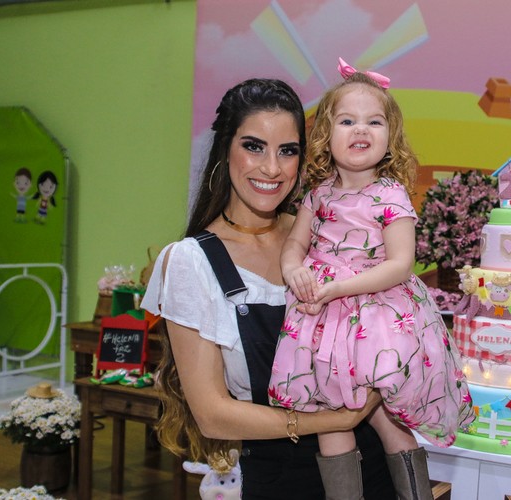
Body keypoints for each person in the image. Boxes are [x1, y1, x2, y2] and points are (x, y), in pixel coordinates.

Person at [141, 78, 396, 499]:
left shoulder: (323, 234)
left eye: (288, 150)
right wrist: (336, 420)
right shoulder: (190, 262)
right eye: (254, 147)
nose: (272, 168)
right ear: (225, 150)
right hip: (283, 484)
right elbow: (213, 415)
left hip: (376, 469)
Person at [268, 59, 474, 500]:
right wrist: (293, 269)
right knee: (329, 416)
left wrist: (338, 288)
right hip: (322, 322)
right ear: (325, 135)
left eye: (374, 121)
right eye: (347, 121)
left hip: (377, 318)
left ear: (390, 136)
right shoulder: (318, 194)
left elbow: (400, 264)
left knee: (390, 418)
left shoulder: (390, 194)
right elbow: (295, 244)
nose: (361, 129)